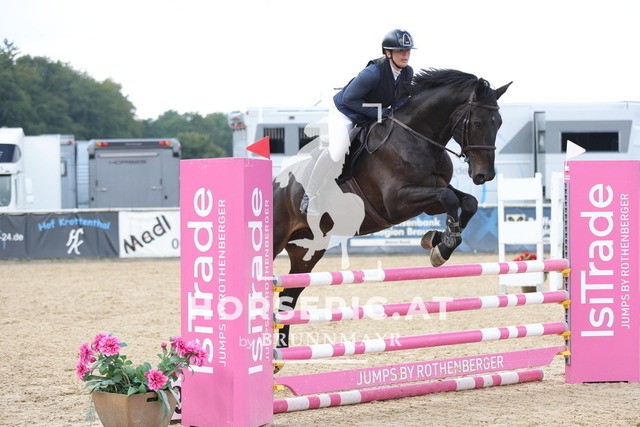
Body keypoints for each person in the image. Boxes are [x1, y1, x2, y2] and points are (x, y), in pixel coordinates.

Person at [300, 29, 416, 215]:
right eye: (400, 51)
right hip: (346, 111)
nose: (405, 55)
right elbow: (348, 98)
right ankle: (310, 195)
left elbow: (402, 97)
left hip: (372, 113)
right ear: (388, 53)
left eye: (407, 51)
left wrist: (394, 112)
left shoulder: (407, 72)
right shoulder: (373, 73)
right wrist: (379, 113)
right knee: (338, 151)